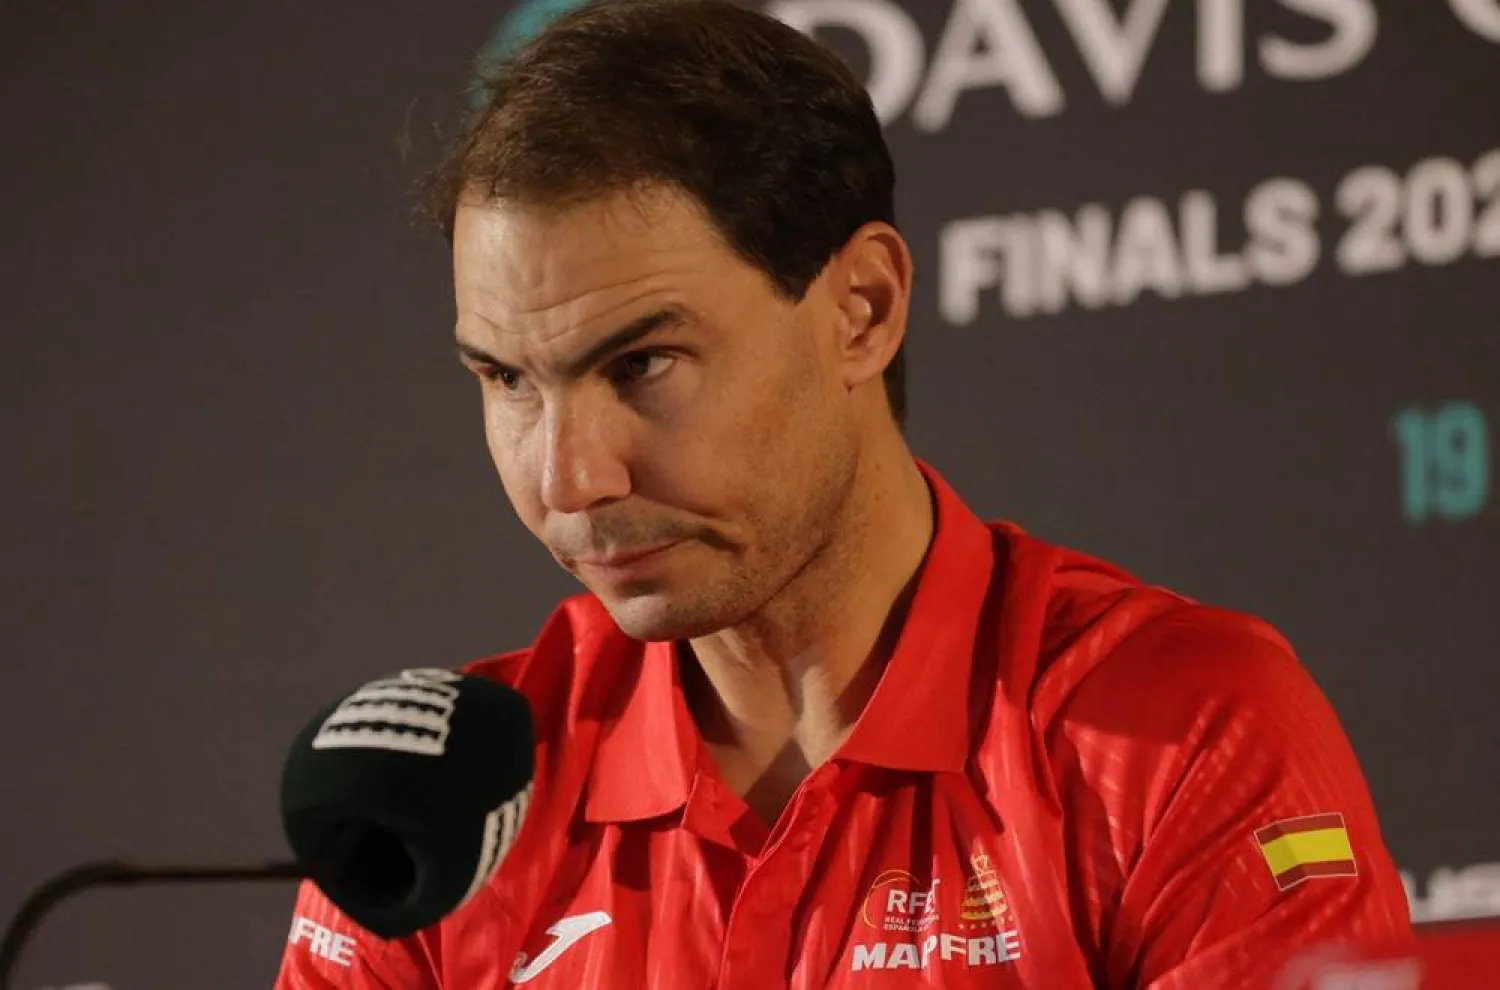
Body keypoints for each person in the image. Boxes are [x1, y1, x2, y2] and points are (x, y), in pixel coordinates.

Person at [275, 1, 1415, 986]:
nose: (571, 478)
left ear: (861, 308)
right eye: (506, 379)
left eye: (643, 365)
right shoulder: (440, 805)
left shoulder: (1177, 739)